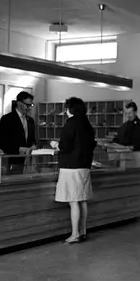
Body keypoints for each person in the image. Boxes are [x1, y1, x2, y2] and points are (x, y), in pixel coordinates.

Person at [55, 97, 97, 244]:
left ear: (71, 109)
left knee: (73, 201)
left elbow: (65, 147)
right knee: (82, 200)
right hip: (85, 166)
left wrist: (56, 145)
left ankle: (75, 234)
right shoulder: (88, 125)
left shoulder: (70, 124)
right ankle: (83, 231)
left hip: (71, 167)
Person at [0, 91, 36, 174]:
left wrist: (34, 146)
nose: (30, 108)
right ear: (19, 103)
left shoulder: (30, 120)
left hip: (29, 162)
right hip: (13, 161)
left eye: (31, 105)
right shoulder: (7, 119)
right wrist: (18, 149)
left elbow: (33, 139)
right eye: (27, 105)